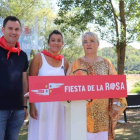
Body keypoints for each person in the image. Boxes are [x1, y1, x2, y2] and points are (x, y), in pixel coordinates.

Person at [67, 31, 127, 140]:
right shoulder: (76, 64)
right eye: (85, 41)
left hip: (102, 115)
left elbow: (116, 86)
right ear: (82, 45)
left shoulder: (106, 63)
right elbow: (65, 87)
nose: (88, 44)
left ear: (98, 44)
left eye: (92, 41)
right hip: (81, 115)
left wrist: (115, 104)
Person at [28, 30, 69, 140]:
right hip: (41, 105)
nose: (56, 43)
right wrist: (32, 105)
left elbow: (68, 84)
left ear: (62, 43)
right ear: (48, 43)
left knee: (58, 133)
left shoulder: (65, 61)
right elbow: (31, 82)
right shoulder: (39, 58)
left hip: (59, 106)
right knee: (41, 133)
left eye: (59, 41)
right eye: (53, 40)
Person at [0, 16, 28, 140]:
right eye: (10, 28)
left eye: (17, 29)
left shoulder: (22, 55)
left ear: (20, 32)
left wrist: (24, 107)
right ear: (3, 29)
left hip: (17, 111)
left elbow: (24, 81)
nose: (13, 32)